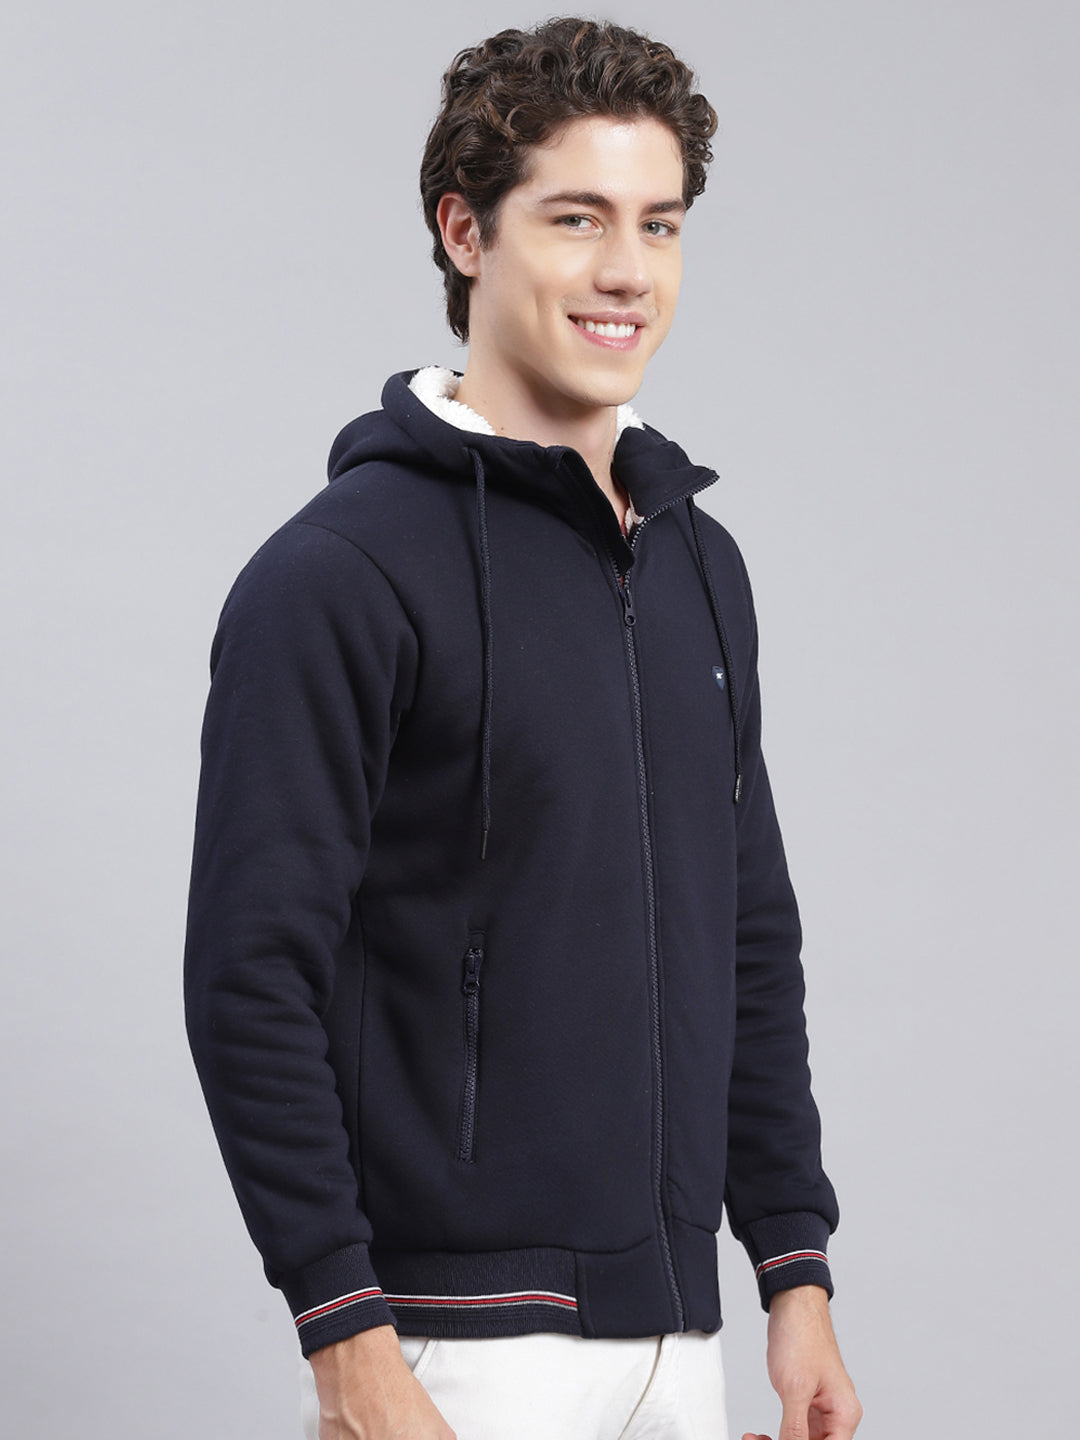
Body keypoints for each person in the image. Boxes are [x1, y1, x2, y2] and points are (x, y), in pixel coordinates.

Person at [184, 18, 862, 1440]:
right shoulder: (337, 574)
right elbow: (250, 975)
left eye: (659, 223)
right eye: (576, 218)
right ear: (464, 231)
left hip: (682, 1343)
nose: (629, 271)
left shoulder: (698, 563)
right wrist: (346, 1340)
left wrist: (792, 1271)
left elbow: (748, 927)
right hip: (456, 1348)